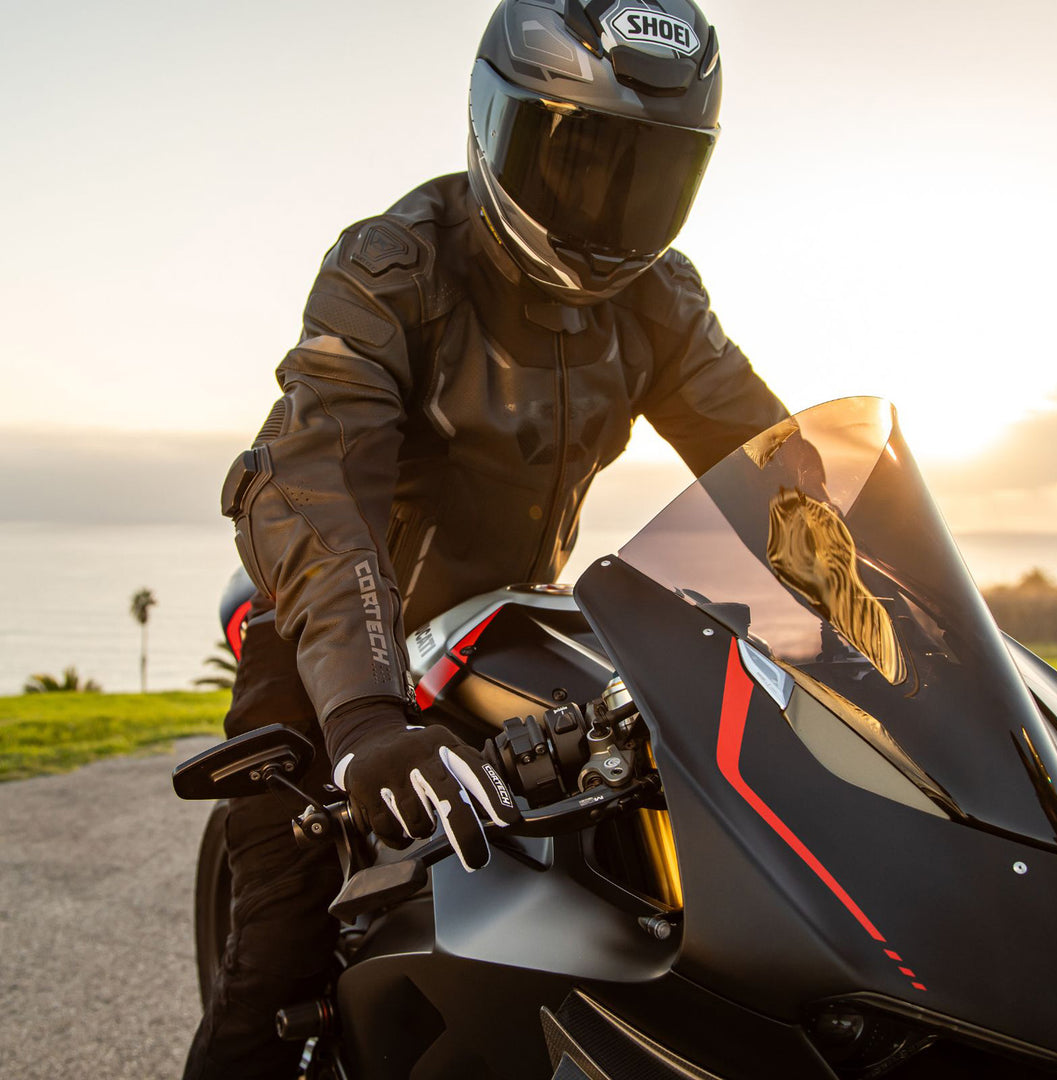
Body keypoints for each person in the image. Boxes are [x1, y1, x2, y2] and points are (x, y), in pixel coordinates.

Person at [183, 0, 788, 1076]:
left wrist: (883, 604)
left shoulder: (659, 300)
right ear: (494, 124)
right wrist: (363, 713)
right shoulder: (395, 264)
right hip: (330, 628)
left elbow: (768, 461)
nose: (605, 211)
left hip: (509, 626)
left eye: (645, 173)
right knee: (274, 957)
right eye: (579, 161)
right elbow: (316, 474)